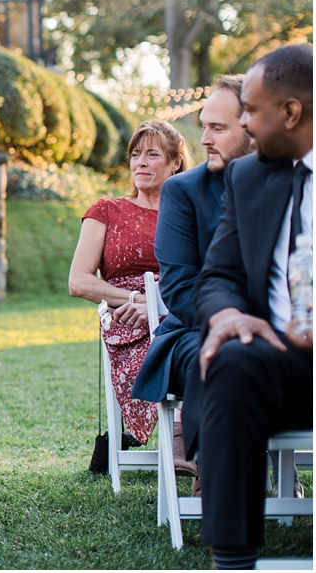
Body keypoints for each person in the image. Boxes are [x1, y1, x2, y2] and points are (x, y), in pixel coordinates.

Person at [193, 44, 312, 570]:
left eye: (251, 110)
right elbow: (218, 274)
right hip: (282, 359)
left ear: (291, 112)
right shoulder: (247, 177)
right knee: (232, 357)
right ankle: (233, 557)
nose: (243, 122)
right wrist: (228, 315)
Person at [131, 76, 252, 484]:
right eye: (204, 126)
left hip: (283, 327)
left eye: (217, 128)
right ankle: (221, 485)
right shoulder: (184, 191)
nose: (203, 139)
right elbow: (181, 290)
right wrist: (239, 322)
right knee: (223, 355)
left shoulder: (296, 182)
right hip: (194, 330)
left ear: (255, 125)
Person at [68, 120, 193, 447]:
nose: (141, 162)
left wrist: (159, 304)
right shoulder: (107, 210)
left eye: (152, 154)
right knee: (160, 345)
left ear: (175, 163)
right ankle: (182, 437)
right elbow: (78, 281)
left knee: (197, 345)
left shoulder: (189, 213)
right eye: (136, 154)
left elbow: (201, 273)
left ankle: (190, 436)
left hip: (179, 309)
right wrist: (136, 298)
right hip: (127, 318)